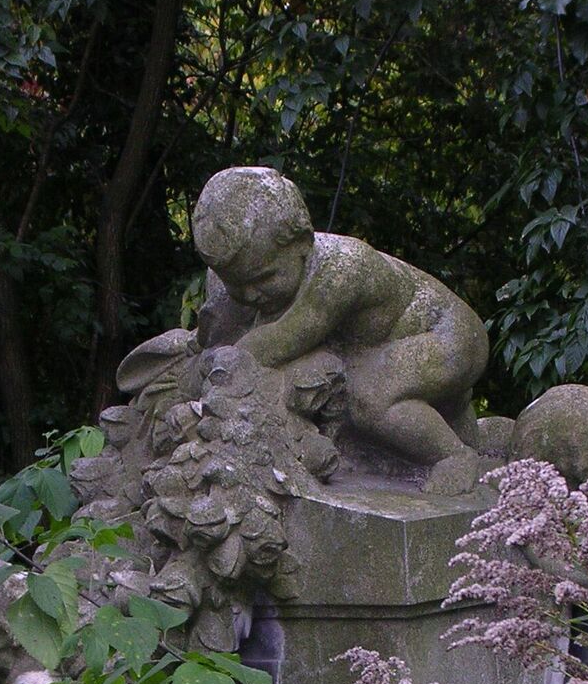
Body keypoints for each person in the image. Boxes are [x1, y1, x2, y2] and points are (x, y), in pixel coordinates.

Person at [191, 166, 490, 489]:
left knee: (370, 398)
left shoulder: (339, 271)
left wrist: (215, 366)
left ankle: (454, 456)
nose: (250, 295)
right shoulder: (244, 268)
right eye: (236, 284)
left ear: (302, 243)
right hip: (387, 349)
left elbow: (278, 342)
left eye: (264, 278)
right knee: (358, 385)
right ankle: (452, 429)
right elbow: (217, 326)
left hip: (450, 336)